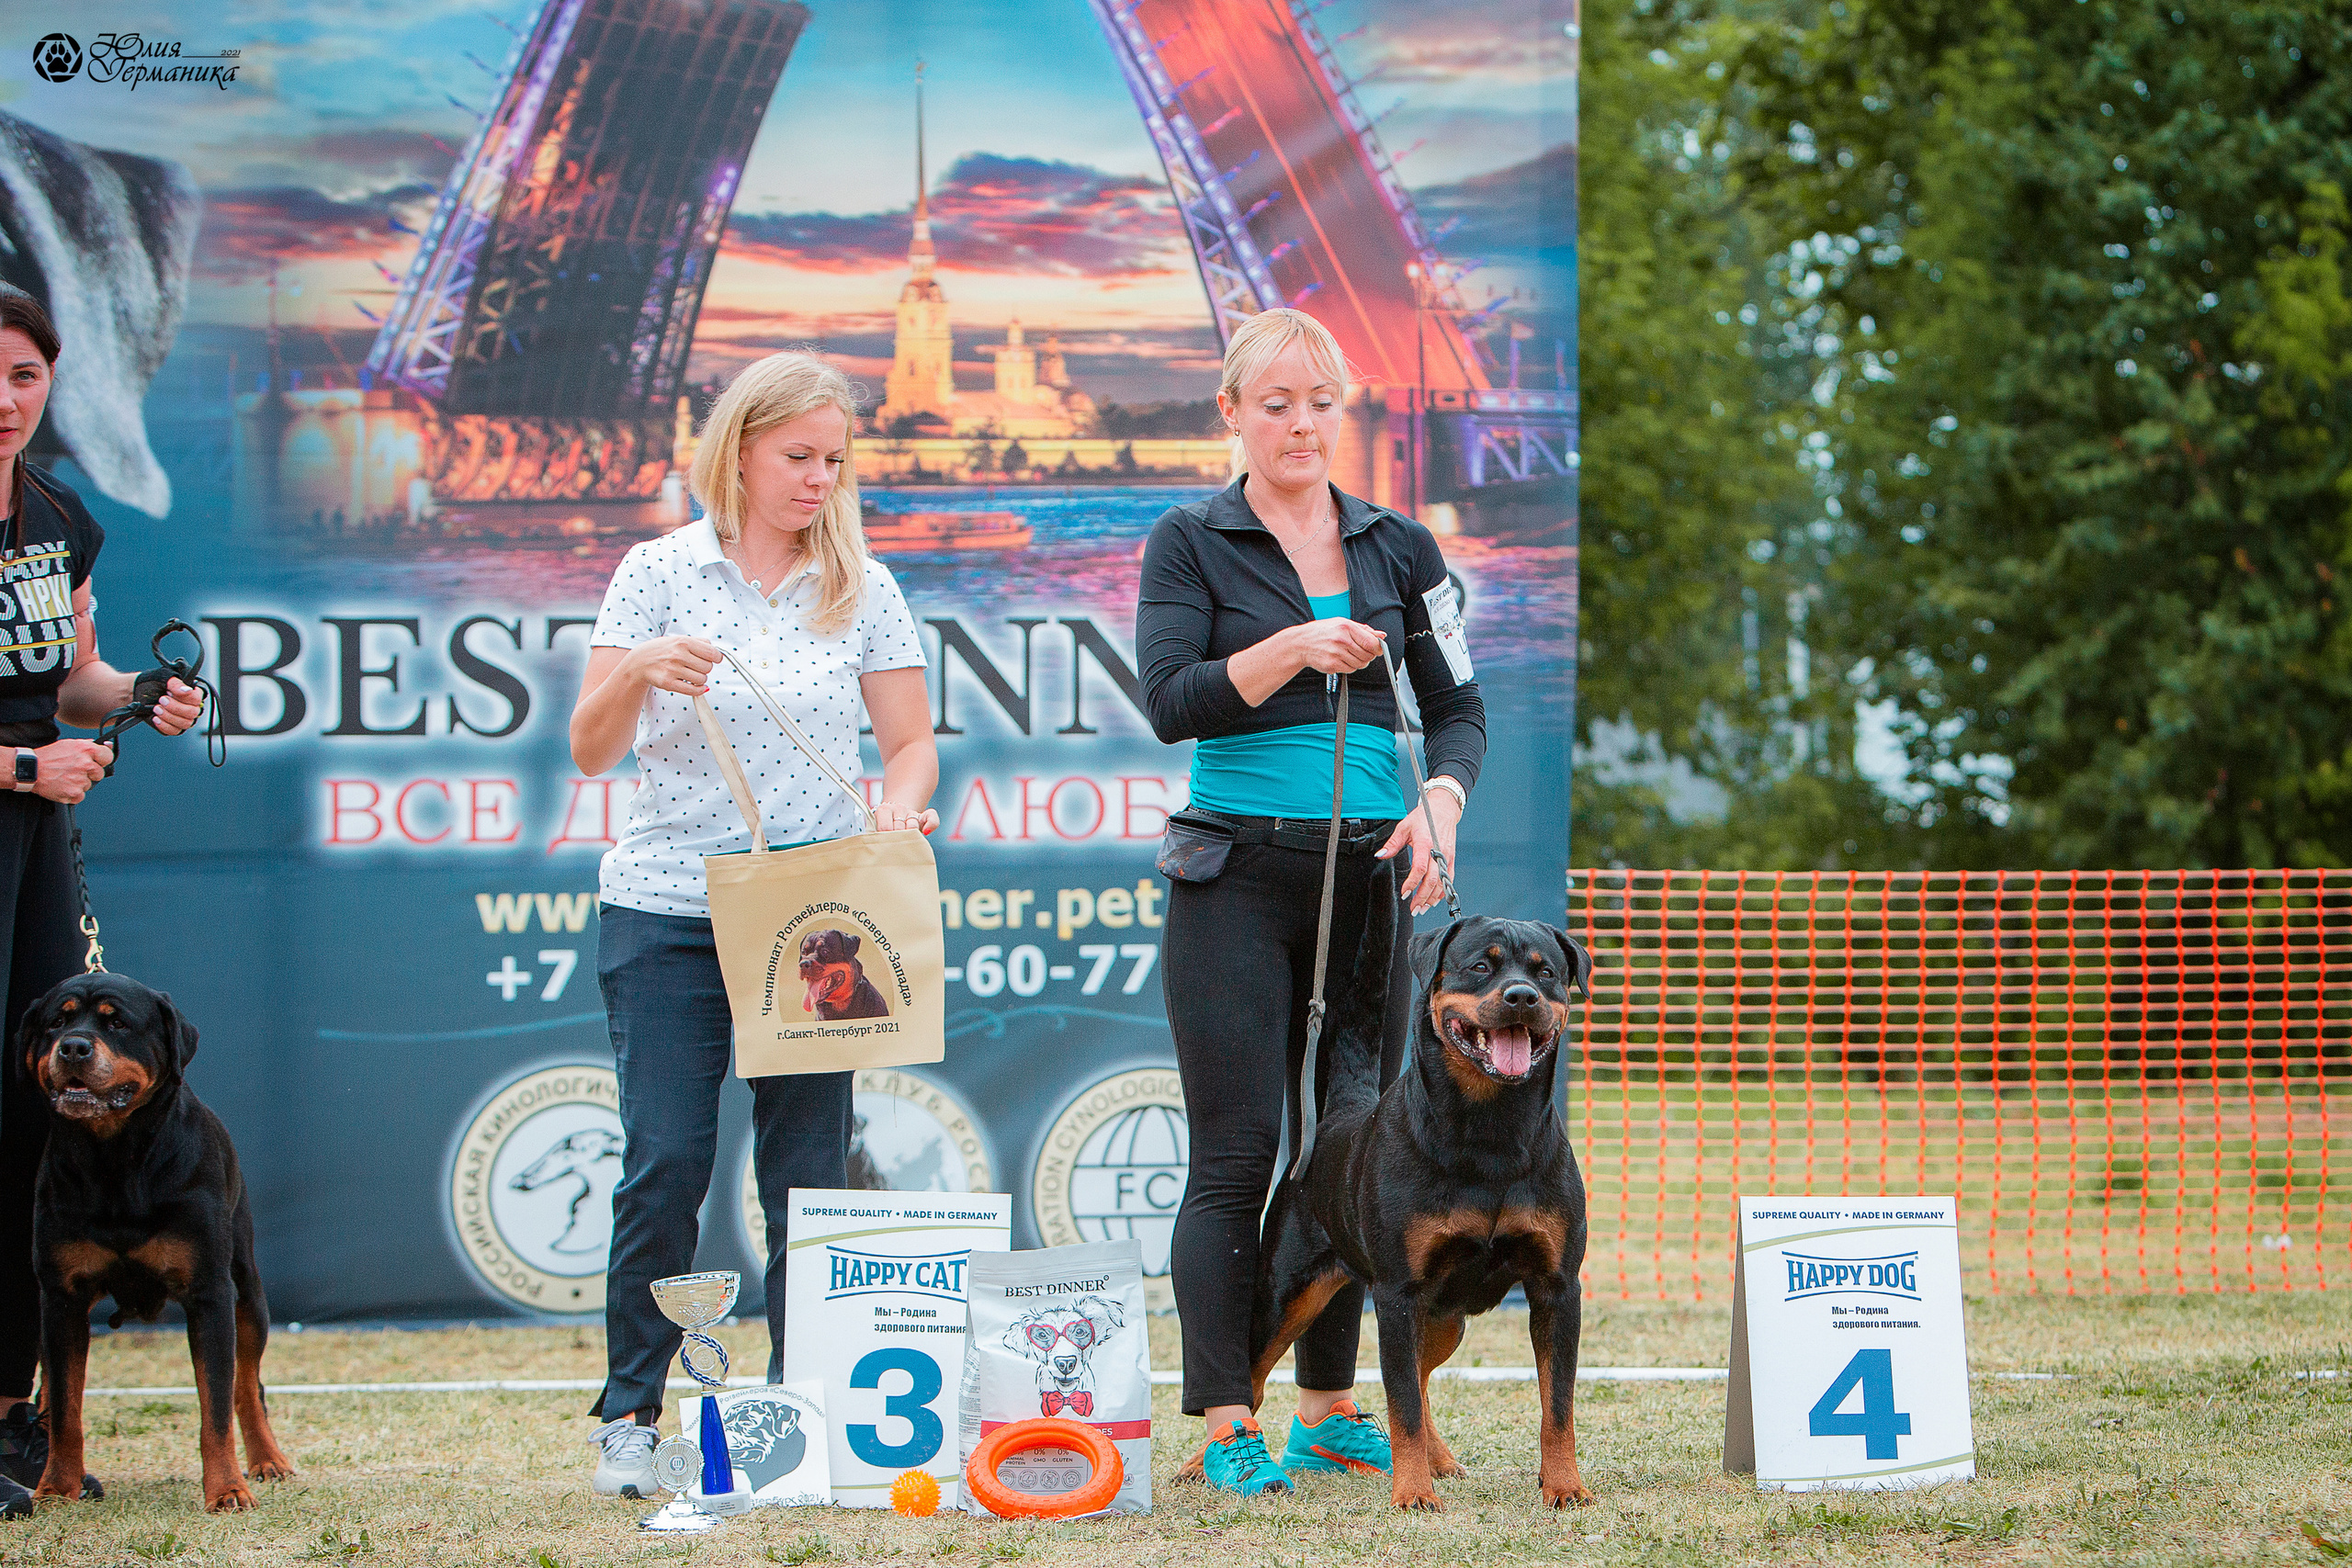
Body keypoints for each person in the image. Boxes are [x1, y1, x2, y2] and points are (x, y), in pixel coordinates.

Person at [569, 352, 939, 1497]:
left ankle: (801, 1414)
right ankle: (630, 1415)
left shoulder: (863, 584)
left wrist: (901, 804)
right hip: (669, 904)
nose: (819, 479)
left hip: (815, 915)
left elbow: (912, 743)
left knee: (807, 1173)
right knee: (665, 1161)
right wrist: (635, 669)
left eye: (834, 460)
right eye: (798, 457)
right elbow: (588, 748)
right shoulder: (654, 569)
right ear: (736, 451)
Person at [1137, 308, 1485, 1496]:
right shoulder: (1190, 538)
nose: (1297, 423)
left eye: (1318, 402)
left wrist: (1438, 804)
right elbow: (1172, 699)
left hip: (1372, 877)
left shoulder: (1400, 543)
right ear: (1230, 413)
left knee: (1356, 1145)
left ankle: (1331, 1408)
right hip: (1232, 874)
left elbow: (1460, 710)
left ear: (1342, 412)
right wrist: (1294, 646)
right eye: (1272, 402)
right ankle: (1228, 1413)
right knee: (1236, 1152)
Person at [0, 288, 208, 1518]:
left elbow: (69, 679)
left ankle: (16, 1417)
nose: (5, 396)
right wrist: (21, 764)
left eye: (25, 373)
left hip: (32, 847)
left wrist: (144, 689)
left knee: (33, 1121)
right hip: (21, 794)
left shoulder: (59, 518)